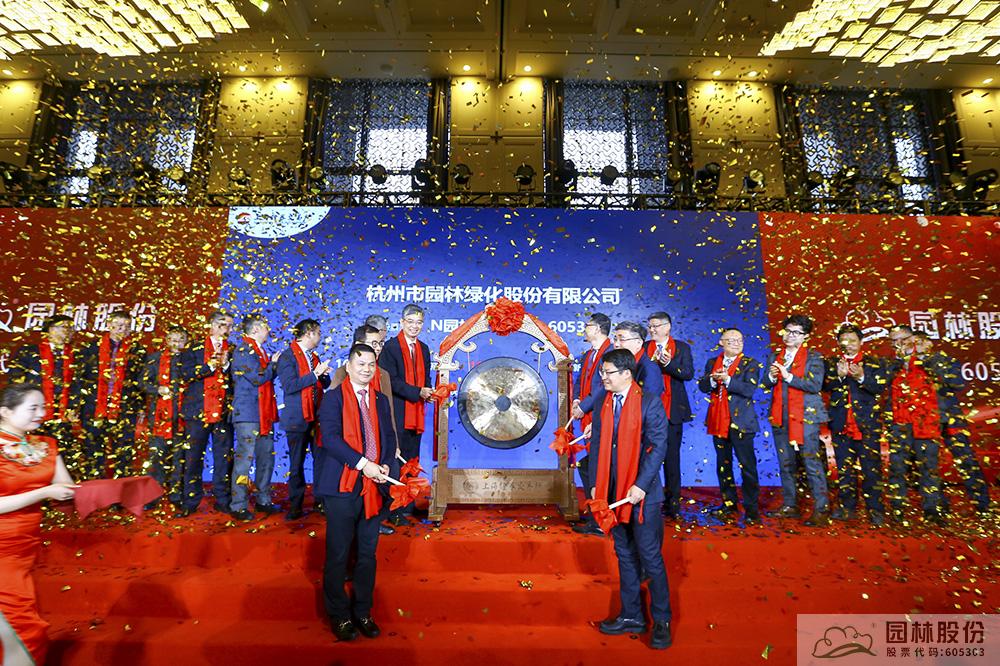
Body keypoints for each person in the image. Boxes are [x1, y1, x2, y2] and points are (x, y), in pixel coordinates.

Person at [588, 349, 671, 650]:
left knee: (650, 557)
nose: (603, 377)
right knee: (624, 554)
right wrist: (595, 485)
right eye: (602, 372)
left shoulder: (649, 402)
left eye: (608, 372)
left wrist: (640, 485)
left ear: (626, 373)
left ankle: (662, 620)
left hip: (641, 495)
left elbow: (658, 446)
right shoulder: (604, 400)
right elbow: (597, 444)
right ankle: (632, 615)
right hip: (612, 492)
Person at [315, 344, 396, 642]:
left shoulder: (380, 399)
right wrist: (364, 464)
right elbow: (331, 439)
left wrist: (383, 464)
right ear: (348, 367)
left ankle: (363, 611)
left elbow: (388, 436)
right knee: (338, 554)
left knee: (366, 555)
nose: (366, 369)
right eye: (360, 364)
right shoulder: (333, 398)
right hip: (342, 486)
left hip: (373, 488)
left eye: (371, 364)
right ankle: (339, 614)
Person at [0, 383, 79, 666]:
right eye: (33, 408)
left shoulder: (46, 445)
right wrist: (43, 493)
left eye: (43, 407)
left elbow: (66, 487)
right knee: (22, 625)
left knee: (13, 625)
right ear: (5, 412)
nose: (41, 414)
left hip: (24, 547)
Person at [763, 314, 830, 526]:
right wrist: (772, 376)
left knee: (811, 462)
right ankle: (790, 505)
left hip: (805, 417)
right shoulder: (776, 356)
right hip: (780, 416)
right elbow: (766, 383)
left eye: (796, 332)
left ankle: (822, 508)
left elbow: (814, 385)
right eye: (788, 331)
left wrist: (788, 376)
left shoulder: (814, 358)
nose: (790, 336)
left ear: (805, 336)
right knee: (786, 463)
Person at [331, 325, 398, 535]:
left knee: (386, 481)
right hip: (351, 453)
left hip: (379, 447)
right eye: (372, 343)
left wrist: (393, 446)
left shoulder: (383, 375)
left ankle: (375, 521)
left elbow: (389, 415)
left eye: (379, 343)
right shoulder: (342, 375)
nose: (377, 348)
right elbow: (333, 423)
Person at [915, 334, 991, 514]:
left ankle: (982, 503)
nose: (916, 346)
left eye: (919, 342)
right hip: (924, 422)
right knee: (928, 465)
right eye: (912, 343)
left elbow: (957, 383)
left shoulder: (944, 360)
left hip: (950, 419)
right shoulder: (907, 365)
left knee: (966, 460)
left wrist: (929, 363)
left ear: (929, 343)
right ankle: (938, 505)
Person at [823, 324, 888, 527]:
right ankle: (847, 507)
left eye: (852, 340)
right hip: (841, 424)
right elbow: (824, 386)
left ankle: (875, 510)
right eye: (844, 340)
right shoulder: (831, 363)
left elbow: (879, 387)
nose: (848, 344)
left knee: (871, 469)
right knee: (845, 469)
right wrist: (840, 376)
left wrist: (861, 377)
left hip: (867, 425)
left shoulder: (874, 363)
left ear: (861, 342)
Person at [696, 328, 762, 525]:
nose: (736, 343)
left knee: (747, 467)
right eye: (731, 340)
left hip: (742, 423)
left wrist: (728, 380)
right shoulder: (712, 362)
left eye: (739, 340)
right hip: (718, 420)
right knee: (723, 465)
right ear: (721, 342)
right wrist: (713, 380)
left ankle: (751, 509)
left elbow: (749, 390)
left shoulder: (750, 363)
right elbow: (702, 386)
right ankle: (729, 504)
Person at [176, 310, 234, 517]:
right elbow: (185, 374)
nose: (228, 330)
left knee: (224, 458)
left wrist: (226, 365)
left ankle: (222, 499)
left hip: (223, 412)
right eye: (224, 325)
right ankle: (190, 500)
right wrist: (208, 366)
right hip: (196, 412)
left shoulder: (233, 349)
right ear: (212, 325)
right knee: (192, 458)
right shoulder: (194, 348)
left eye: (230, 326)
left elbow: (238, 378)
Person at [75, 310, 146, 480]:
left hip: (125, 406)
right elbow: (79, 378)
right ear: (109, 325)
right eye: (118, 325)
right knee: (93, 447)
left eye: (126, 326)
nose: (122, 329)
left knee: (124, 449)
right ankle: (95, 487)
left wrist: (141, 406)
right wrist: (76, 404)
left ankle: (122, 488)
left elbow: (141, 381)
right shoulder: (91, 348)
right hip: (94, 405)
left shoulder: (138, 350)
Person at [885, 327, 945, 524]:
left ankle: (931, 509)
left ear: (913, 339)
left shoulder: (930, 360)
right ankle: (897, 508)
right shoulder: (891, 364)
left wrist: (923, 356)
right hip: (899, 423)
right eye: (893, 341)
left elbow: (948, 380)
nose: (898, 344)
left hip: (926, 423)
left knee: (929, 467)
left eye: (902, 339)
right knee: (898, 468)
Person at [378, 304, 431, 526]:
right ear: (401, 323)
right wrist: (417, 392)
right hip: (397, 413)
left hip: (416, 413)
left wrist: (429, 392)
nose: (414, 326)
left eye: (418, 323)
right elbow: (390, 381)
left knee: (412, 460)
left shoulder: (424, 348)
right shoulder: (391, 348)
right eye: (410, 322)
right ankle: (393, 509)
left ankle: (409, 504)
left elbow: (426, 379)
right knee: (396, 461)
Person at [8, 315, 80, 476]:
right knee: (34, 448)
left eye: (70, 328)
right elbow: (15, 379)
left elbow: (79, 384)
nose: (68, 332)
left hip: (63, 412)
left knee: (62, 449)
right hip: (35, 411)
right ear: (50, 330)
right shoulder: (30, 351)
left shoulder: (77, 355)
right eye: (63, 327)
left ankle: (60, 481)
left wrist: (73, 407)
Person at [276, 318, 331, 521]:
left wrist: (322, 376)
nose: (320, 337)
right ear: (309, 333)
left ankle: (320, 501)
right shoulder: (287, 356)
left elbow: (324, 384)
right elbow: (289, 386)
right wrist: (315, 374)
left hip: (317, 417)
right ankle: (296, 505)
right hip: (296, 418)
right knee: (296, 463)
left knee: (321, 462)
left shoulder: (314, 356)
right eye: (318, 333)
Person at [229, 314, 282, 521]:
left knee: (266, 458)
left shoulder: (260, 351)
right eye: (266, 327)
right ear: (255, 329)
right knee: (245, 461)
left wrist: (272, 365)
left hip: (263, 413)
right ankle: (239, 504)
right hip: (248, 414)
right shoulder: (243, 350)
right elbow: (257, 378)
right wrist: (273, 365)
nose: (269, 330)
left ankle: (263, 499)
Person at [645, 312, 694, 519]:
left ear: (667, 327)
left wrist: (668, 364)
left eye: (656, 326)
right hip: (648, 411)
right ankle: (649, 501)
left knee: (672, 459)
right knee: (647, 458)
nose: (652, 330)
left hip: (673, 410)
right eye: (650, 326)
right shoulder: (644, 347)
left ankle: (673, 504)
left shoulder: (681, 348)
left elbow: (688, 374)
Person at [570, 313, 612, 536]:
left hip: (602, 417)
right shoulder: (589, 354)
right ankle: (595, 514)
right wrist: (577, 399)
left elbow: (603, 388)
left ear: (597, 329)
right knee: (588, 466)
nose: (584, 329)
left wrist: (584, 407)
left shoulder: (610, 353)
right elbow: (581, 381)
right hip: (588, 416)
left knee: (597, 469)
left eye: (587, 326)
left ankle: (601, 519)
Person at [143, 325, 189, 508]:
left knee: (179, 457)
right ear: (167, 340)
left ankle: (176, 495)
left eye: (180, 339)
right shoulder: (155, 359)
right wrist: (157, 389)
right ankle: (151, 496)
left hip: (184, 415)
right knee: (157, 457)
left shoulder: (190, 360)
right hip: (160, 416)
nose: (176, 343)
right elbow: (142, 382)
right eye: (173, 339)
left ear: (186, 342)